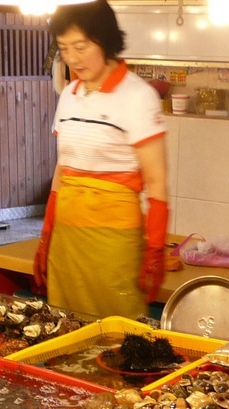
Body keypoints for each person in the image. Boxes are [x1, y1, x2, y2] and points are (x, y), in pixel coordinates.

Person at [33, 0, 169, 320]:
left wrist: (155, 249)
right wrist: (47, 235)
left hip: (114, 239)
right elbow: (62, 172)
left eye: (81, 47)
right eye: (64, 48)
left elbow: (157, 182)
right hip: (67, 235)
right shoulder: (69, 95)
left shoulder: (139, 96)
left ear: (105, 40)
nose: (72, 58)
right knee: (65, 324)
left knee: (116, 329)